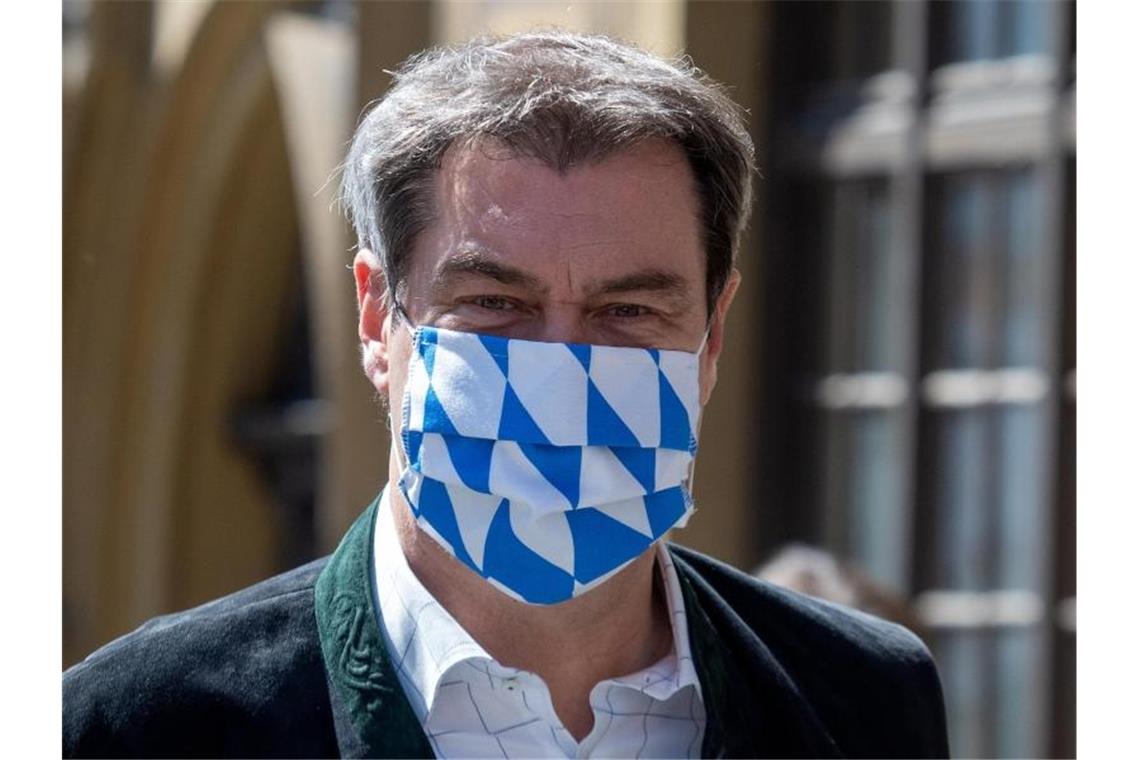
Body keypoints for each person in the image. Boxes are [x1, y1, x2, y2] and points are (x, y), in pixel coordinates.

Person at [63, 31, 949, 758]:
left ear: (711, 335)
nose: (561, 369)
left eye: (629, 309)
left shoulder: (859, 701)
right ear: (379, 320)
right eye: (495, 304)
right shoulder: (143, 727)